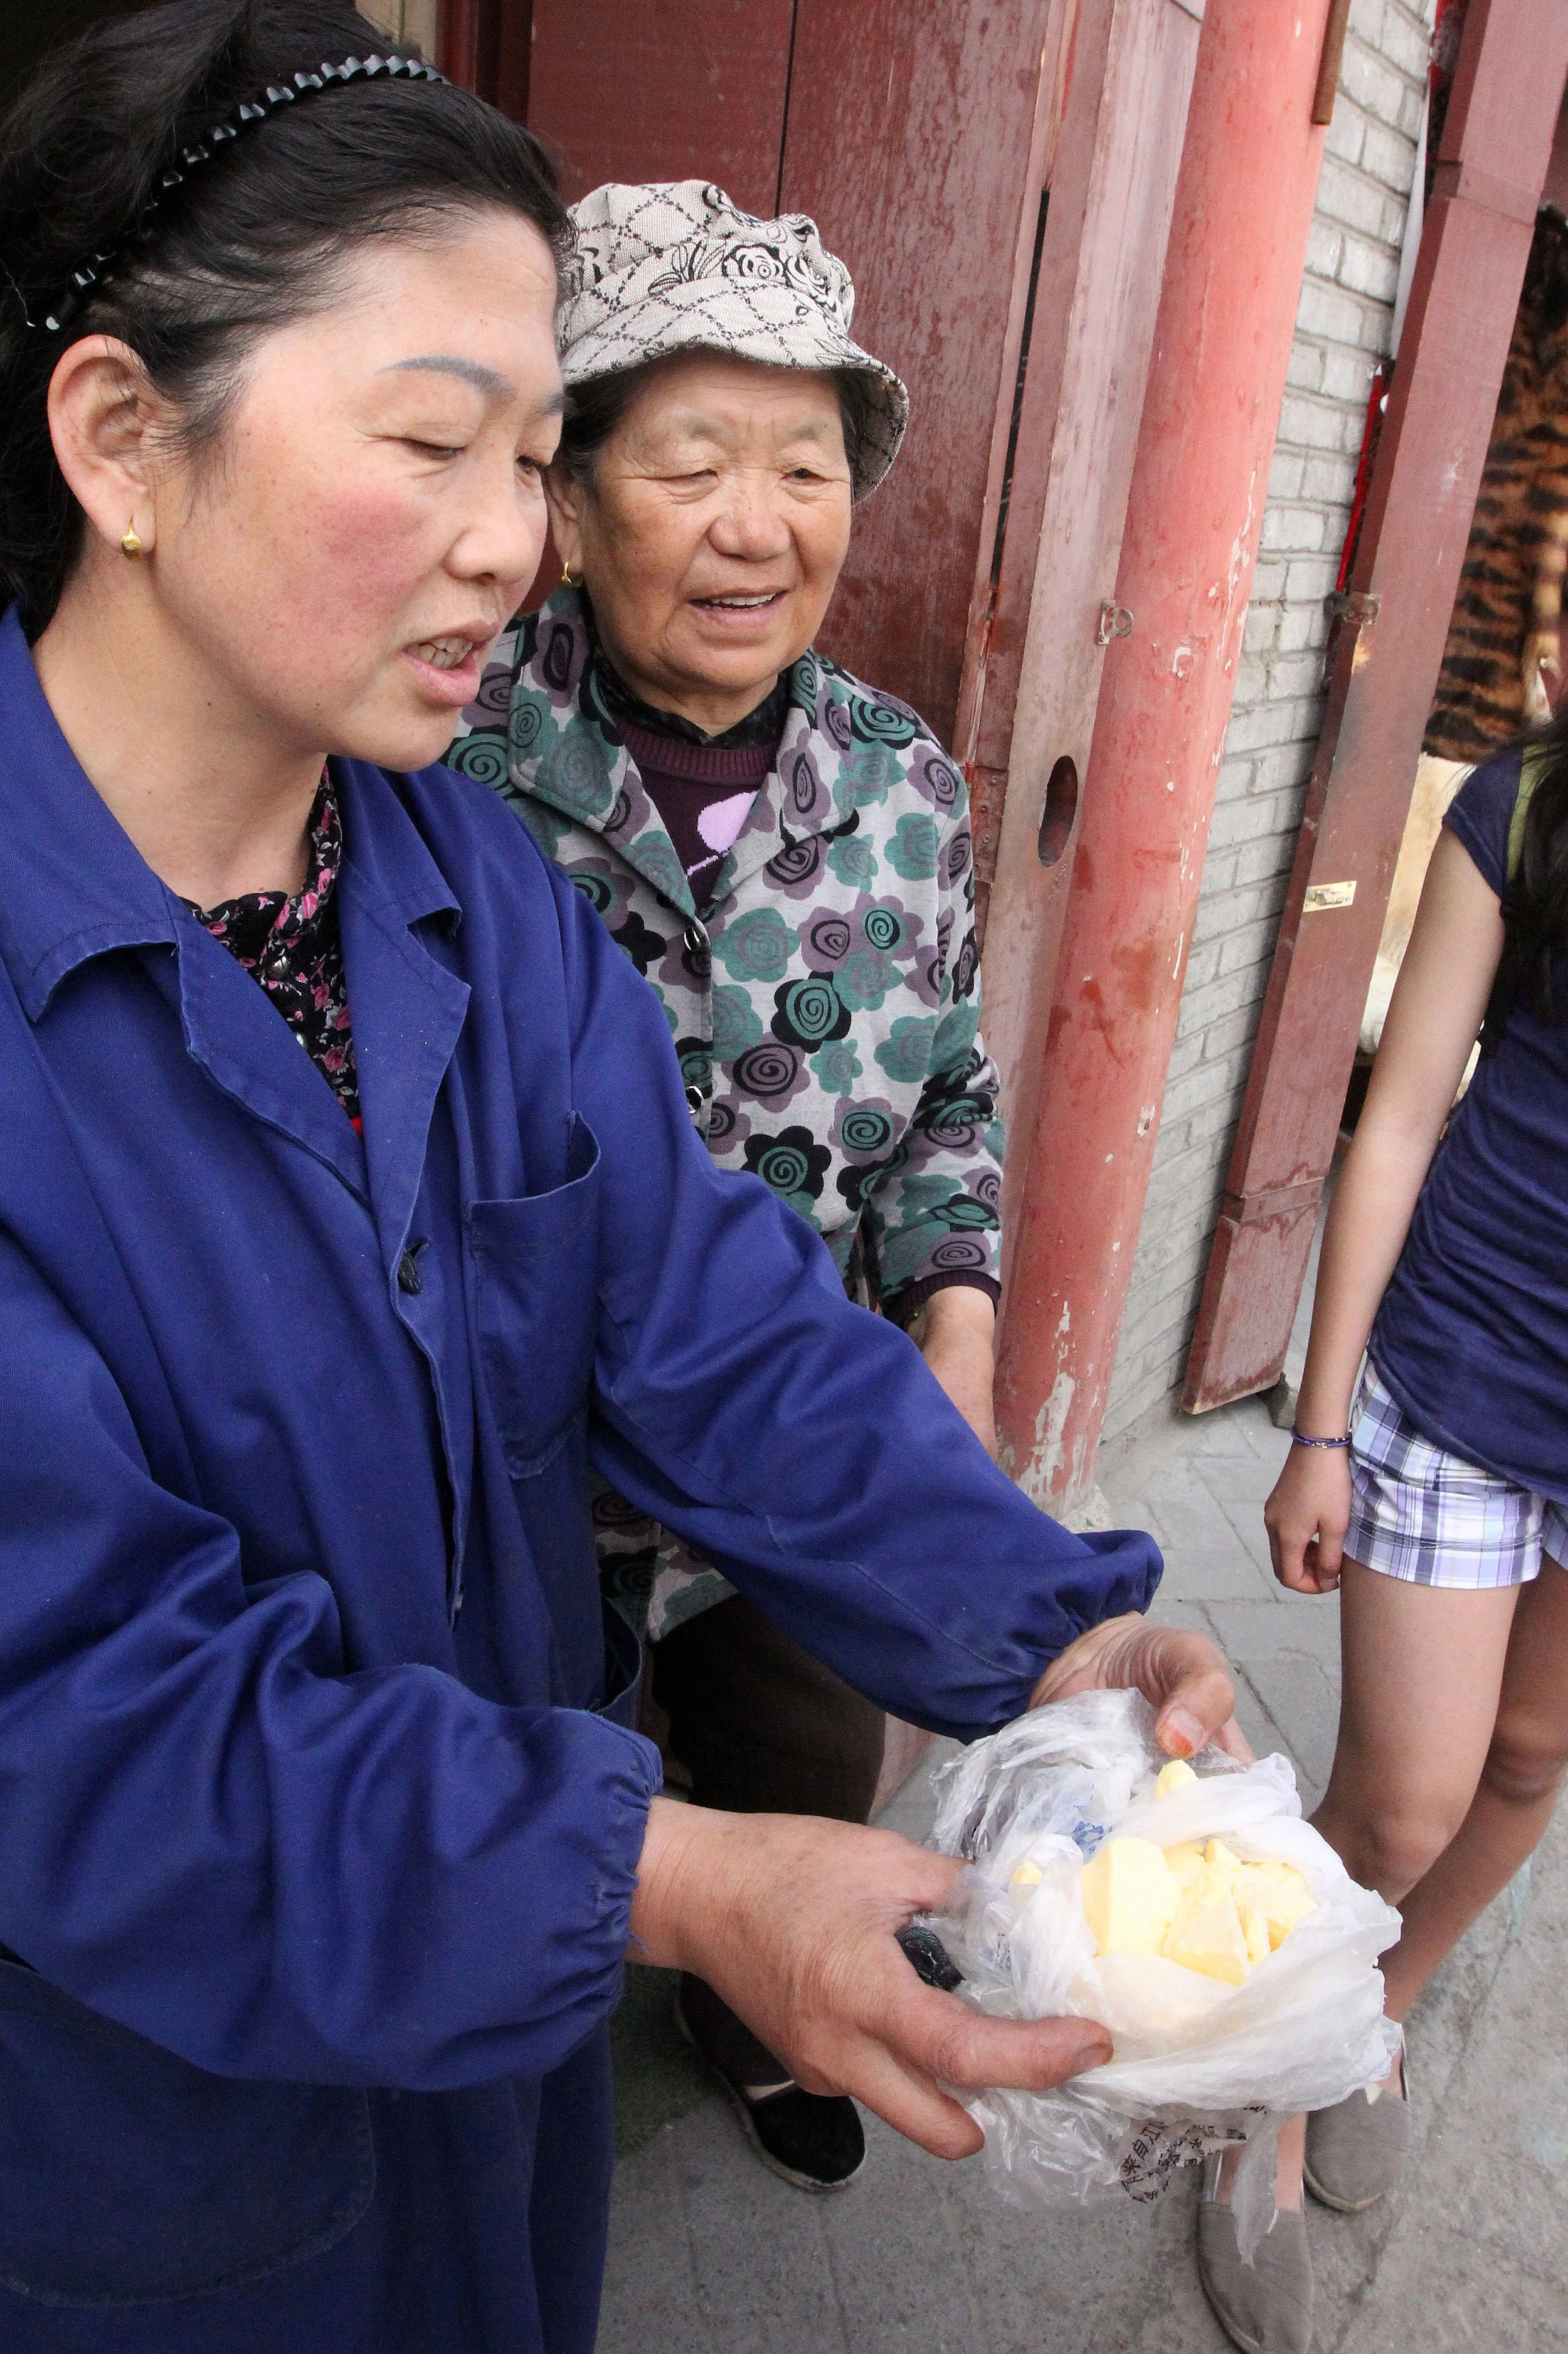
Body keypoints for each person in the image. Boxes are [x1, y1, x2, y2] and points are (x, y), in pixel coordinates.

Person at [0, 8, 1244, 2350]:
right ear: (120, 440)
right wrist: (676, 1879)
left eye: (537, 458)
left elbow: (715, 1325)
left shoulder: (466, 894)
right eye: (434, 444)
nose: (508, 542)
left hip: (491, 2084)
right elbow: (89, 1712)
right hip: (137, 2129)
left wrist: (1055, 1630)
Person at [447, 177, 1004, 2192]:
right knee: (516, 1818)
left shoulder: (905, 783)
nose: (755, 521)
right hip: (498, 1473)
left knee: (800, 1778)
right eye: (687, 462)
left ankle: (765, 2020)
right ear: (570, 506)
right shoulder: (441, 758)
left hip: (798, 1468)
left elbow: (947, 1088)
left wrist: (956, 1314)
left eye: (802, 463)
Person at [1195, 714, 1568, 2353]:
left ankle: (1365, 2023)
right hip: (1466, 1365)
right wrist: (1319, 1421)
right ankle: (1254, 2099)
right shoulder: (1531, 804)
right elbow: (1400, 1115)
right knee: (1401, 1809)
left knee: (1528, 1762)